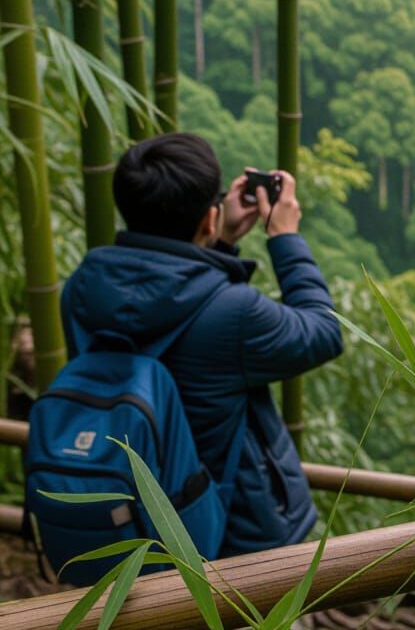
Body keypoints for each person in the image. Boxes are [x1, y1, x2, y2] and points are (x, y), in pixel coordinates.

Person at [60, 132, 343, 556]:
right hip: (226, 537)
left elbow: (178, 314)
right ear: (208, 218)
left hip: (123, 516)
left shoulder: (81, 290)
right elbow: (323, 331)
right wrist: (285, 237)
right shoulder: (234, 313)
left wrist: (220, 242)